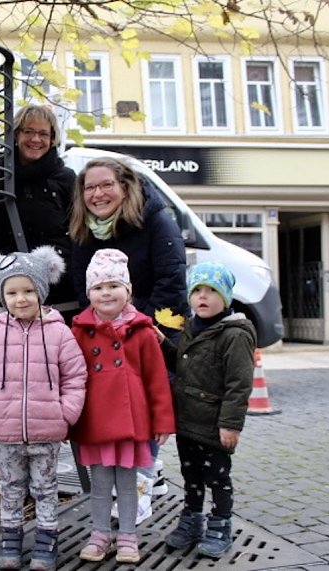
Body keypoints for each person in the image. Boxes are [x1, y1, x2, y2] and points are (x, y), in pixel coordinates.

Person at [68, 156, 188, 517]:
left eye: (106, 185)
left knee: (144, 404)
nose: (98, 193)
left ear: (125, 186)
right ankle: (150, 477)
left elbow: (172, 283)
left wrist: (138, 324)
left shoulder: (156, 220)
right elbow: (81, 284)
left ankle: (138, 498)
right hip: (105, 329)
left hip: (147, 329)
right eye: (89, 187)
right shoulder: (83, 229)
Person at [0, 246, 86, 571]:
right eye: (11, 292)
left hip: (47, 429)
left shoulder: (59, 333)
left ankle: (46, 541)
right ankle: (10, 540)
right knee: (9, 487)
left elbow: (75, 376)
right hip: (5, 431)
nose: (20, 298)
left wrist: (66, 413)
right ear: (2, 295)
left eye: (28, 290)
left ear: (41, 291)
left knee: (45, 488)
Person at [69, 249, 175, 564]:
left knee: (129, 486)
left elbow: (157, 380)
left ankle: (128, 535)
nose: (106, 293)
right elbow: (71, 379)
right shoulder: (79, 331)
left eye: (114, 286)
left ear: (127, 291)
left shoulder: (142, 331)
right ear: (89, 294)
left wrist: (163, 422)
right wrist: (69, 421)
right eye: (99, 288)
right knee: (100, 485)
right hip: (96, 422)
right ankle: (99, 534)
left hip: (132, 423)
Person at [158, 261, 255, 558]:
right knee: (191, 476)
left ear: (225, 297)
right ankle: (192, 520)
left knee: (217, 478)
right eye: (197, 290)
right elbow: (184, 366)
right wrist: (163, 343)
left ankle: (220, 524)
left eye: (211, 291)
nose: (203, 297)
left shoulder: (235, 334)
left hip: (213, 424)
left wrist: (231, 425)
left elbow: (239, 384)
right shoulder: (191, 327)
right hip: (187, 420)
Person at [0, 104, 78, 315]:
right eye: (28, 131)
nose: (36, 139)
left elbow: (78, 231)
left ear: (52, 139)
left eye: (43, 133)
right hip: (12, 290)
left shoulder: (65, 178)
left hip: (60, 294)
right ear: (16, 135)